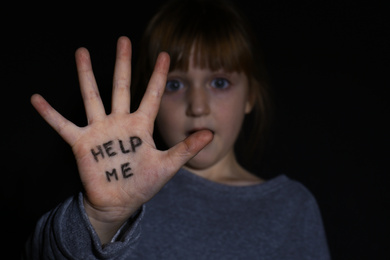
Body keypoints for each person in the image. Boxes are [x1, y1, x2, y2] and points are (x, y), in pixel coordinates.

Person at [25, 0, 330, 259]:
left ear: (250, 95)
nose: (198, 105)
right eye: (175, 84)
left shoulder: (292, 207)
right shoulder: (124, 186)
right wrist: (101, 216)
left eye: (219, 82)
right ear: (151, 98)